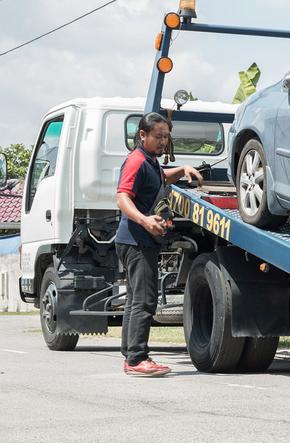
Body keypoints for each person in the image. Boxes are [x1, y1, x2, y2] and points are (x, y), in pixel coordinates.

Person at [115, 112, 202, 376]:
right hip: (137, 239)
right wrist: (144, 220)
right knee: (144, 300)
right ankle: (137, 359)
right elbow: (122, 197)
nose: (163, 141)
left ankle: (130, 356)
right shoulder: (136, 162)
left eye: (166, 136)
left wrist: (183, 169)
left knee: (134, 299)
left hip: (138, 240)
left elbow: (162, 177)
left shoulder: (150, 161)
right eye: (158, 136)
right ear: (142, 135)